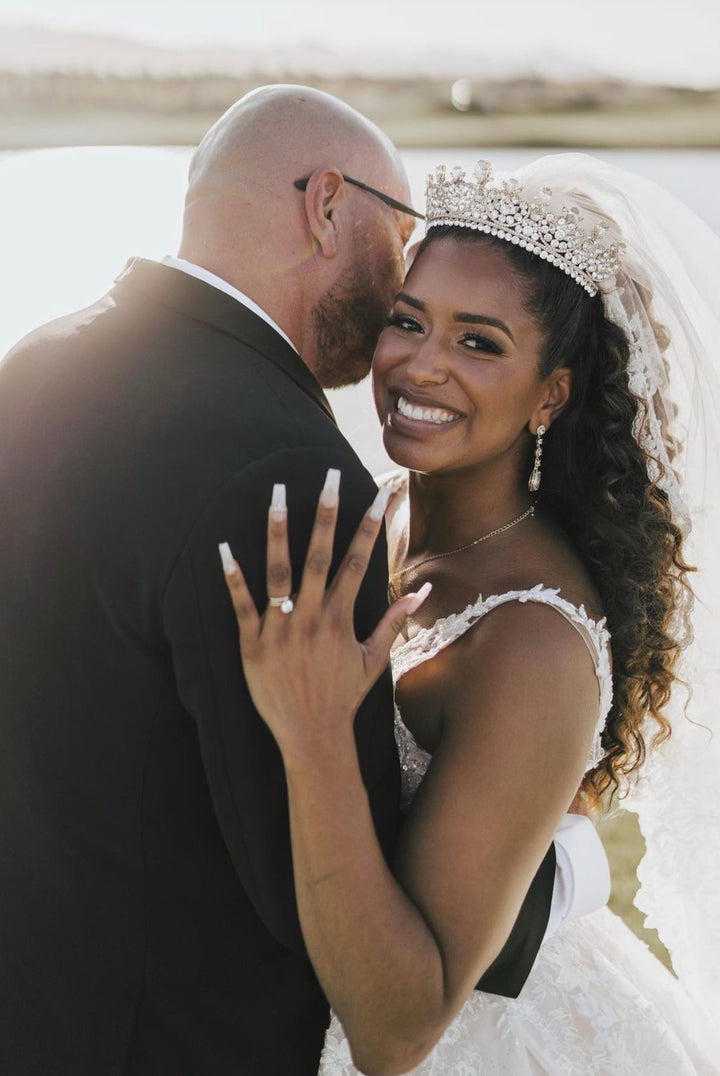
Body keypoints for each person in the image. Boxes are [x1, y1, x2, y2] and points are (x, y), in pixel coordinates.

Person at [0, 89, 599, 1076]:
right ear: (327, 205)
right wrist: (553, 879)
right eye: (398, 238)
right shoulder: (290, 477)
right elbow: (313, 882)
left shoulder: (36, 362)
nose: (404, 285)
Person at [221, 154, 720, 1074]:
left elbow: (399, 1032)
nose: (422, 364)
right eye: (407, 321)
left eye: (479, 343)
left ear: (553, 394)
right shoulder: (387, 508)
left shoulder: (532, 641)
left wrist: (316, 729)